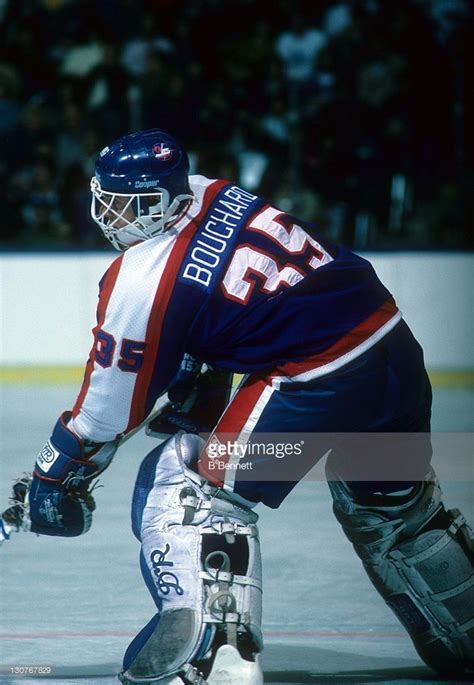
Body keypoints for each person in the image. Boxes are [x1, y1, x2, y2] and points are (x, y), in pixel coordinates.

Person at [3, 128, 472, 684]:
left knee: (191, 484)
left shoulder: (138, 281)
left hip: (318, 385)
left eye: (133, 204)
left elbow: (109, 408)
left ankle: (215, 652)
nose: (116, 217)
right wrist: (204, 381)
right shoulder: (213, 191)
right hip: (394, 356)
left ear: (168, 199)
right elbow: (239, 303)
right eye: (107, 199)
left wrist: (58, 470)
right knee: (392, 508)